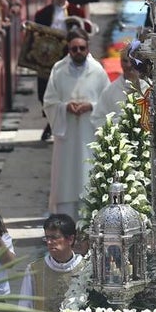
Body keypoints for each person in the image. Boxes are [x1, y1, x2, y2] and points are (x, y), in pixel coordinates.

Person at [43, 32, 110, 217]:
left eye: (82, 48)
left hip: (89, 133)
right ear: (69, 50)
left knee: (87, 174)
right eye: (74, 49)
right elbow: (49, 102)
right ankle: (65, 218)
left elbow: (107, 103)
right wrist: (65, 107)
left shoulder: (98, 72)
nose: (78, 52)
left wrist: (91, 106)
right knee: (66, 177)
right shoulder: (58, 70)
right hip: (67, 134)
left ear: (88, 49)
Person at [33, 0, 89, 142]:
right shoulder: (42, 14)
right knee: (44, 94)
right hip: (47, 60)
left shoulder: (77, 13)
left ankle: (53, 125)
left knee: (65, 91)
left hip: (68, 58)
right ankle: (51, 121)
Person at [13, 214, 85, 312]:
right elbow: (24, 308)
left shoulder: (85, 269)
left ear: (70, 239)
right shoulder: (34, 270)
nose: (49, 242)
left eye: (54, 237)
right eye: (47, 238)